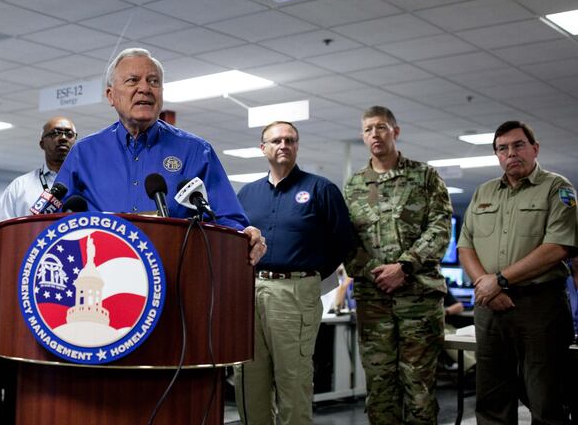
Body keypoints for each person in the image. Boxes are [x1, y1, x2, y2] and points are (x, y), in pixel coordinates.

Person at [54, 48, 265, 263]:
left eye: (153, 81)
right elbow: (53, 221)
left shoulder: (196, 151)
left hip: (175, 270)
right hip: (103, 272)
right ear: (111, 95)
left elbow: (228, 219)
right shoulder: (83, 153)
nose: (145, 88)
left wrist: (244, 234)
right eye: (132, 80)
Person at [233, 121, 354, 424]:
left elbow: (344, 242)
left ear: (297, 146)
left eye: (290, 140)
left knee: (292, 379)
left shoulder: (321, 189)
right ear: (263, 148)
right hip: (250, 292)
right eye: (276, 141)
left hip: (295, 292)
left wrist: (311, 277)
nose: (283, 145)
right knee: (248, 378)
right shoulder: (247, 194)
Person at [457, 120, 577, 424]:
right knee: (492, 399)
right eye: (503, 148)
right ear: (497, 155)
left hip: (540, 306)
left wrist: (499, 281)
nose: (511, 153)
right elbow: (465, 246)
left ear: (535, 148)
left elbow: (558, 246)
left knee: (546, 399)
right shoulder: (483, 192)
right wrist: (486, 286)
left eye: (518, 145)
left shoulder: (557, 188)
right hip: (490, 308)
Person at [344, 106, 452, 425]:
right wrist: (375, 273)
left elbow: (440, 227)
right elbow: (346, 240)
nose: (374, 134)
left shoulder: (425, 176)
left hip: (418, 299)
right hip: (373, 302)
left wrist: (404, 267)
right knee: (380, 389)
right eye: (368, 130)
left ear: (395, 131)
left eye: (381, 127)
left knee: (419, 388)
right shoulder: (354, 185)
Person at [0, 116, 77, 248]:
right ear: (42, 143)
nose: (63, 138)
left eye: (69, 134)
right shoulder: (20, 186)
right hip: (30, 256)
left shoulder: (88, 183)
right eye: (55, 133)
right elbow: (1, 233)